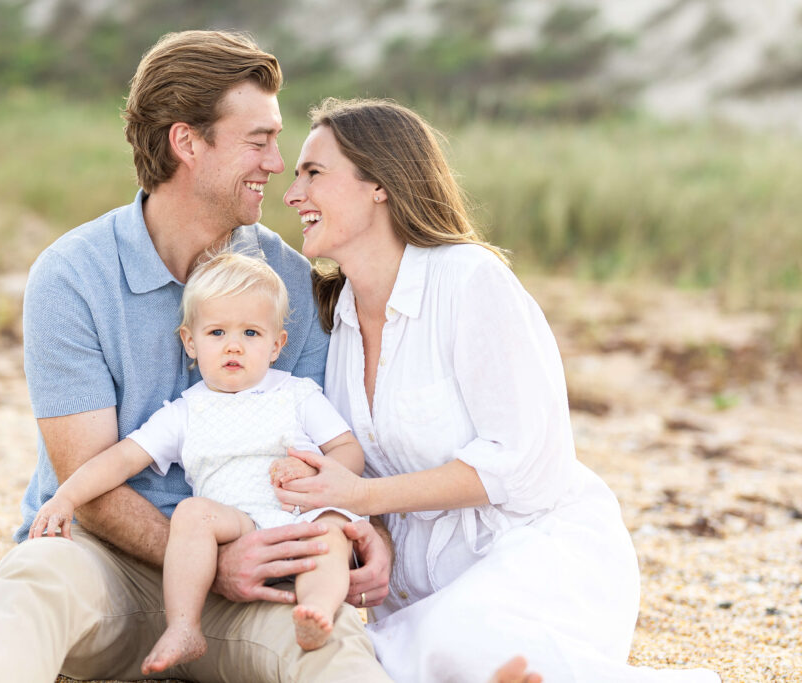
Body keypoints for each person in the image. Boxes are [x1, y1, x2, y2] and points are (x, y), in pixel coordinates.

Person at [0, 31, 393, 683]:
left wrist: (364, 533)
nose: (278, 164)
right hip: (104, 568)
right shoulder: (73, 275)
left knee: (333, 649)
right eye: (258, 140)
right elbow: (92, 483)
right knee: (35, 577)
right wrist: (212, 558)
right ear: (186, 142)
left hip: (256, 584)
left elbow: (330, 457)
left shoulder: (292, 283)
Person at [279, 98, 721, 683]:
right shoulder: (337, 322)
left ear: (379, 184)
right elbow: (376, 472)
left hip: (539, 554)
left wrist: (364, 498)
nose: (292, 195)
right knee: (367, 660)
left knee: (458, 645)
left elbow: (525, 464)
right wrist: (374, 535)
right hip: (424, 585)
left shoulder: (468, 281)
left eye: (314, 173)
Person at [27, 252, 367, 674]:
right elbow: (120, 460)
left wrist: (314, 469)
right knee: (192, 514)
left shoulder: (297, 395)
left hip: (301, 513)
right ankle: (184, 625)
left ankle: (316, 609)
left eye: (252, 332)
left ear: (277, 344)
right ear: (191, 341)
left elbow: (348, 450)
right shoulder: (186, 412)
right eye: (217, 331)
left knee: (332, 534)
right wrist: (66, 496)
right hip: (236, 524)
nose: (234, 345)